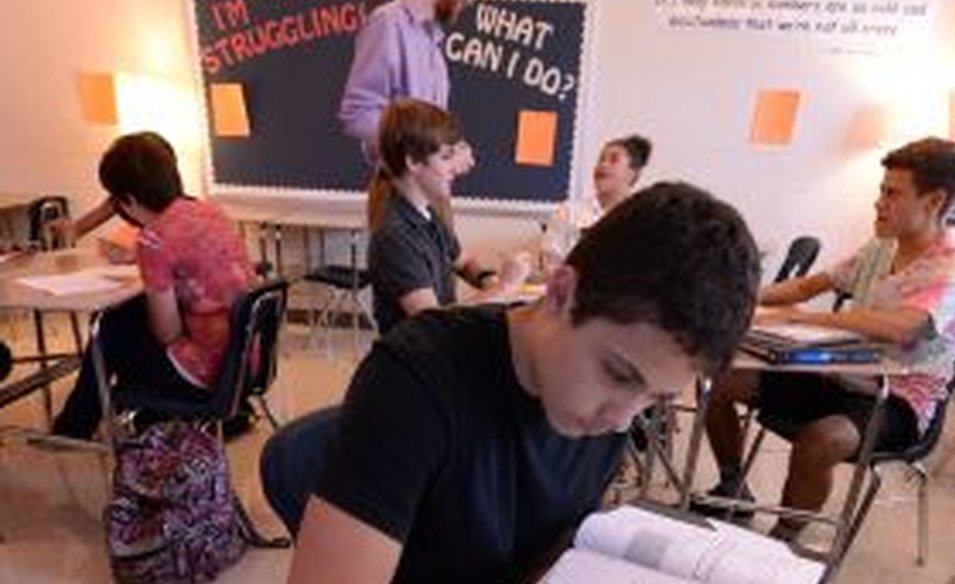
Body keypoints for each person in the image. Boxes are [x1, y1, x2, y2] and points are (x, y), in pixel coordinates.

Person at [271, 181, 762, 583]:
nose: (620, 421)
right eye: (618, 374)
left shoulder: (605, 412)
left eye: (655, 398)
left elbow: (547, 560)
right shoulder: (415, 378)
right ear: (562, 292)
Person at [700, 137, 955, 542]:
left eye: (892, 193)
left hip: (899, 398)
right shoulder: (881, 247)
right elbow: (809, 285)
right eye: (880, 191)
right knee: (719, 378)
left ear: (934, 201)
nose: (878, 202)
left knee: (822, 440)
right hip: (839, 373)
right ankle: (733, 487)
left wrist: (804, 319)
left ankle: (782, 542)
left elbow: (903, 326)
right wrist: (738, 296)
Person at [51, 132, 256, 439]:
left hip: (211, 371)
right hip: (248, 356)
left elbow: (167, 333)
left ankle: (74, 428)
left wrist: (146, 262)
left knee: (110, 330)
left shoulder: (154, 238)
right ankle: (87, 423)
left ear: (129, 200)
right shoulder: (209, 211)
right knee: (123, 318)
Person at [367, 98, 530, 334]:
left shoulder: (427, 215)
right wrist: (504, 287)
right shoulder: (394, 236)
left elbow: (462, 261)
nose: (455, 167)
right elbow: (433, 322)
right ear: (413, 161)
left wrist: (487, 278)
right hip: (415, 364)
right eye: (445, 157)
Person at [338, 0, 475, 162]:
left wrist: (450, 149)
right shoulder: (388, 22)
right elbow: (358, 114)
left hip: (420, 186)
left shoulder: (435, 48)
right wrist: (418, 148)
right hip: (392, 185)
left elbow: (430, 135)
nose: (470, 3)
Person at [50, 131, 180, 262]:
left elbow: (179, 254)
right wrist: (65, 232)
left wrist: (136, 255)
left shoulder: (184, 212)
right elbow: (76, 230)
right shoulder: (121, 200)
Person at [541, 135, 652, 269]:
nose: (603, 165)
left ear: (632, 173)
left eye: (613, 160)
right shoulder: (569, 212)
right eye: (601, 159)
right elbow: (551, 264)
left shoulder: (643, 216)